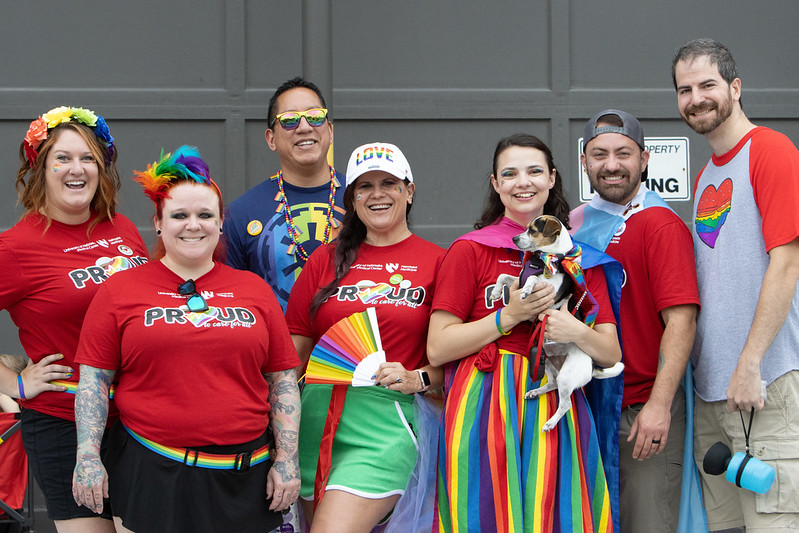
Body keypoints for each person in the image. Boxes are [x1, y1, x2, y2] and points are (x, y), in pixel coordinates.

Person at [71, 146, 302, 533]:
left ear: (221, 222)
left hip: (244, 476)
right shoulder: (120, 290)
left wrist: (288, 460)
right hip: (152, 469)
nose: (192, 225)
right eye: (179, 215)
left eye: (204, 215)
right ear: (158, 223)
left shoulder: (255, 290)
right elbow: (94, 379)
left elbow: (282, 381)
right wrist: (88, 457)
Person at [427, 133, 623, 532]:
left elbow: (611, 354)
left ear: (552, 178)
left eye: (535, 171)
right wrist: (507, 317)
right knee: (483, 513)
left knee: (555, 513)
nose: (523, 182)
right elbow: (437, 347)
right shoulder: (470, 250)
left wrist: (575, 331)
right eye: (510, 173)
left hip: (551, 395)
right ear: (496, 184)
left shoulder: (579, 260)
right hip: (483, 399)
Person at [0, 106, 147, 533]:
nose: (76, 169)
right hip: (64, 423)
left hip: (139, 422)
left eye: (87, 158)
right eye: (61, 158)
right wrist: (14, 383)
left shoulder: (121, 229)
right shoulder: (16, 248)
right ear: (39, 167)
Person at [672, 38, 799, 531]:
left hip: (763, 387)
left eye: (707, 84)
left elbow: (786, 264)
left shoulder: (770, 151)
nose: (696, 98)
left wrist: (750, 365)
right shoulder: (706, 176)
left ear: (735, 87)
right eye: (685, 90)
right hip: (713, 396)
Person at [285, 142, 444, 532]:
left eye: (388, 183)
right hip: (316, 419)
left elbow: (456, 357)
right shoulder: (324, 259)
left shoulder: (440, 261)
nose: (377, 194)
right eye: (364, 186)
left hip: (387, 422)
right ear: (351, 199)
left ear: (409, 190)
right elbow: (293, 355)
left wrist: (418, 377)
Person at [571, 110, 700, 533]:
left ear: (644, 160)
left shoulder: (660, 225)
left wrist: (660, 406)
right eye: (600, 154)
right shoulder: (572, 226)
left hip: (639, 412)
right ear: (585, 162)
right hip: (583, 411)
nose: (611, 164)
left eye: (623, 153)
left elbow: (681, 321)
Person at [224, 76, 346, 310]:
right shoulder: (241, 214)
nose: (304, 127)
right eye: (289, 120)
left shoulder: (364, 201)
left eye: (315, 117)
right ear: (271, 139)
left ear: (330, 131)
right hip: (275, 344)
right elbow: (228, 302)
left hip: (354, 344)